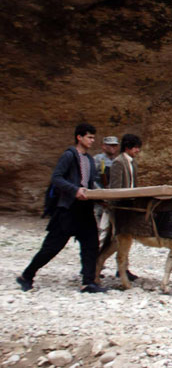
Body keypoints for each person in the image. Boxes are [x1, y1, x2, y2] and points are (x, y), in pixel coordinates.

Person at [16, 123, 107, 293]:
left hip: (85, 209)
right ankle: (26, 276)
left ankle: (88, 282)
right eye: (89, 137)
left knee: (91, 244)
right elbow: (56, 178)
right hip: (68, 209)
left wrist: (99, 197)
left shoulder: (89, 159)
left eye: (94, 137)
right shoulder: (69, 155)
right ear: (79, 137)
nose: (92, 140)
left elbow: (90, 183)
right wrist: (75, 190)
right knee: (52, 247)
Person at [98, 134, 143, 280]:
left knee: (125, 239)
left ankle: (123, 269)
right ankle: (96, 266)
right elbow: (115, 188)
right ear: (128, 147)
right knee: (108, 238)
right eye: (136, 147)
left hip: (128, 207)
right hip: (118, 209)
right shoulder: (118, 163)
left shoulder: (132, 163)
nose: (138, 150)